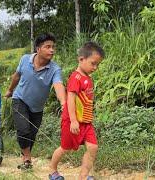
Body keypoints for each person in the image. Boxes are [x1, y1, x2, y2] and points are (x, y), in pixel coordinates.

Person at [5, 33, 66, 170]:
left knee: (31, 134)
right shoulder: (25, 60)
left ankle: (25, 155)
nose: (52, 50)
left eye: (53, 47)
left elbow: (58, 86)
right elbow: (17, 76)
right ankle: (27, 159)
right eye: (47, 47)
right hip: (19, 99)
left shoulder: (54, 69)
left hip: (37, 107)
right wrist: (10, 90)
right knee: (23, 129)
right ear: (38, 49)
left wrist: (63, 103)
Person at [49, 42, 105, 180]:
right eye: (93, 63)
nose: (95, 67)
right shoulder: (76, 78)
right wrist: (73, 120)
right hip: (72, 121)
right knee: (64, 148)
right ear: (81, 59)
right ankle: (52, 170)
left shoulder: (88, 79)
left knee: (92, 147)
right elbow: (70, 100)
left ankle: (83, 176)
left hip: (86, 122)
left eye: (97, 64)